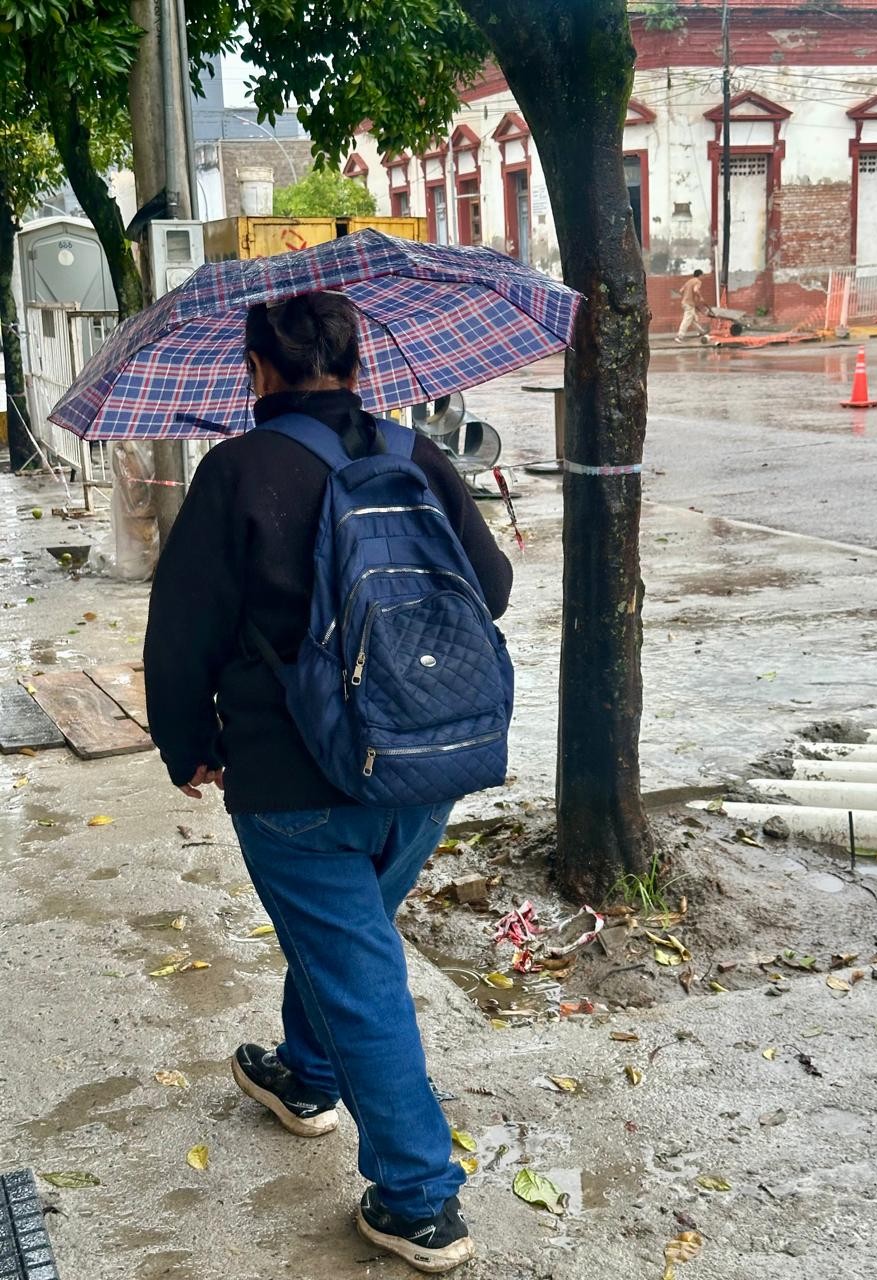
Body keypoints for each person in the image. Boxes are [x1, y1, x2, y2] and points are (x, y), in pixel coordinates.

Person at [143, 291, 513, 1273]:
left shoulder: (235, 472)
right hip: (423, 766)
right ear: (357, 365)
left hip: (292, 782)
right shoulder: (416, 453)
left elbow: (180, 637)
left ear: (259, 372)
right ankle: (306, 1076)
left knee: (358, 972)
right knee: (345, 943)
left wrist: (191, 746)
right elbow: (498, 586)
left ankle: (420, 1199)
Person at [675, 268, 710, 343]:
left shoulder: (689, 281)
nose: (702, 277)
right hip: (689, 304)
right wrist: (700, 297)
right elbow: (695, 290)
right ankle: (679, 337)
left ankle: (702, 332)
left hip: (685, 303)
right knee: (687, 320)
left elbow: (681, 291)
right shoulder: (697, 281)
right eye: (702, 275)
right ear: (700, 275)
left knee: (693, 320)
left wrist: (687, 296)